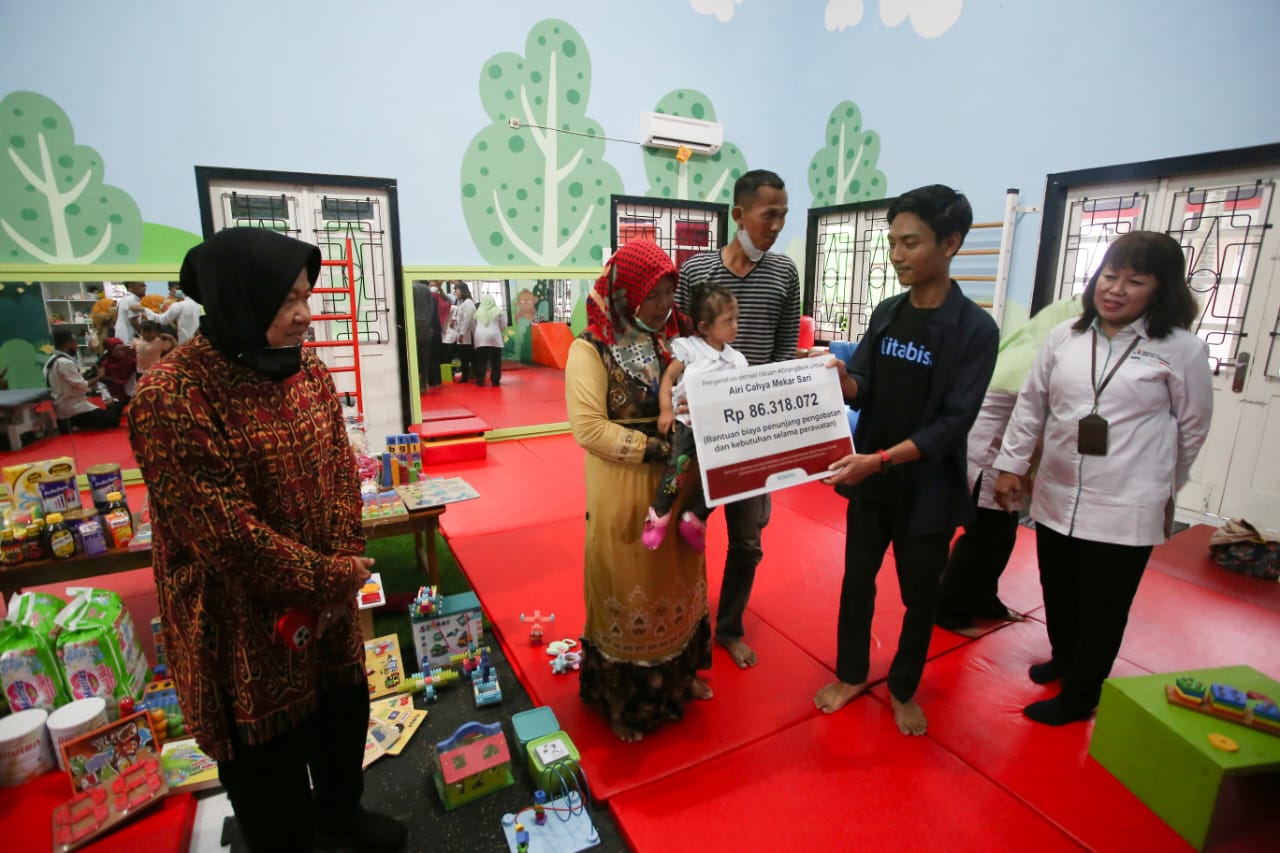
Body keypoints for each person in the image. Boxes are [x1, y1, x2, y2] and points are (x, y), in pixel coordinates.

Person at [127, 228, 407, 852]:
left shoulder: (305, 367)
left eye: (305, 295)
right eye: (285, 301)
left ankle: (340, 812)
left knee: (341, 714)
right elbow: (226, 537)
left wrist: (341, 563)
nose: (304, 314)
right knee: (268, 764)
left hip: (327, 595)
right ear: (237, 300)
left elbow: (340, 467)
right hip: (240, 621)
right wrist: (331, 575)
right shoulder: (172, 395)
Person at [992, 231, 1213, 726]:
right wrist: (1011, 465)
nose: (1115, 289)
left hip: (1126, 502)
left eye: (1134, 281)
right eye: (1109, 276)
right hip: (1057, 490)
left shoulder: (1181, 350)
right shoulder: (1065, 336)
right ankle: (1065, 659)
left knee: (1104, 604)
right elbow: (1031, 406)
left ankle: (1082, 692)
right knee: (1059, 586)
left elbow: (1193, 427)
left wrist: (1163, 484)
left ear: (1161, 289)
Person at [814, 185, 999, 736]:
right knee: (856, 581)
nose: (896, 254)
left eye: (910, 243)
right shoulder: (888, 312)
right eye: (892, 242)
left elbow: (952, 424)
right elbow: (863, 385)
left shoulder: (975, 330)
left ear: (950, 243)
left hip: (928, 488)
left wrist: (880, 460)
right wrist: (839, 379)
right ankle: (851, 674)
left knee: (920, 597)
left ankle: (902, 688)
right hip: (871, 481)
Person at [565, 239, 713, 743]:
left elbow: (717, 381)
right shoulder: (591, 347)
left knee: (679, 577)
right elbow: (588, 429)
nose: (663, 305)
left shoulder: (679, 338)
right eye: (652, 294)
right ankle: (627, 704)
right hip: (625, 491)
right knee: (631, 582)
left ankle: (681, 676)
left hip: (680, 483)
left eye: (670, 292)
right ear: (625, 293)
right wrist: (655, 449)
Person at [676, 169, 800, 669]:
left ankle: (728, 626)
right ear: (739, 214)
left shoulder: (784, 273)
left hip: (754, 432)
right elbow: (683, 347)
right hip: (702, 430)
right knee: (687, 531)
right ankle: (685, 626)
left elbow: (786, 352)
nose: (776, 225)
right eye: (769, 215)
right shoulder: (696, 272)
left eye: (784, 216)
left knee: (748, 542)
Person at [935, 296, 1083, 635]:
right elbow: (1038, 423)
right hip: (990, 456)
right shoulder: (1038, 357)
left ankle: (985, 600)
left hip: (1006, 458)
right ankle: (948, 608)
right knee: (984, 537)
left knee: (1000, 537)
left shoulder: (1038, 344)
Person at [643, 283, 747, 552]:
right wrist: (666, 409)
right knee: (678, 469)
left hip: (720, 428)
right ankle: (658, 516)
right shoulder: (691, 350)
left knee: (728, 475)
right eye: (728, 321)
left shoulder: (737, 360)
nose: (736, 325)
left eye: (737, 318)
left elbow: (740, 395)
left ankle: (697, 518)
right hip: (687, 424)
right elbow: (667, 379)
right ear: (704, 327)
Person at [43, 329, 123, 431]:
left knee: (111, 409)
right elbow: (83, 386)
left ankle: (74, 423)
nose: (76, 345)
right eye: (75, 342)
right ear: (68, 344)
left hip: (62, 407)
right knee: (113, 420)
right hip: (74, 409)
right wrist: (100, 376)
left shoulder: (51, 360)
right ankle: (74, 424)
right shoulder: (65, 363)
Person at [411, 280, 442, 393]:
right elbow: (432, 309)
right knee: (425, 358)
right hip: (427, 327)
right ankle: (424, 385)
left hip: (414, 326)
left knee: (414, 358)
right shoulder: (427, 291)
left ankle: (414, 384)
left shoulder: (411, 288)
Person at [471, 293, 507, 386]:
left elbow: (474, 325)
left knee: (481, 361)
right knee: (496, 361)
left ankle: (480, 380)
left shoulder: (478, 312)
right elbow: (503, 324)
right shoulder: (498, 311)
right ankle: (495, 381)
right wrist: (497, 331)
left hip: (480, 338)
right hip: (494, 337)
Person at [443, 281, 476, 383]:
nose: (455, 292)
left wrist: (461, 334)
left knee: (469, 357)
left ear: (462, 290)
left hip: (467, 335)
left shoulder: (468, 303)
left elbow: (467, 320)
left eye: (456, 290)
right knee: (464, 357)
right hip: (463, 334)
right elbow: (460, 317)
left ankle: (476, 376)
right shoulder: (462, 303)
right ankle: (466, 376)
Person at [97, 337, 137, 405]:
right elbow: (101, 382)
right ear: (111, 351)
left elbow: (135, 378)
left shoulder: (130, 361)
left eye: (122, 349)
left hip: (132, 395)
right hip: (113, 398)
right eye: (118, 350)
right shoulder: (105, 364)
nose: (121, 352)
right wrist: (107, 397)